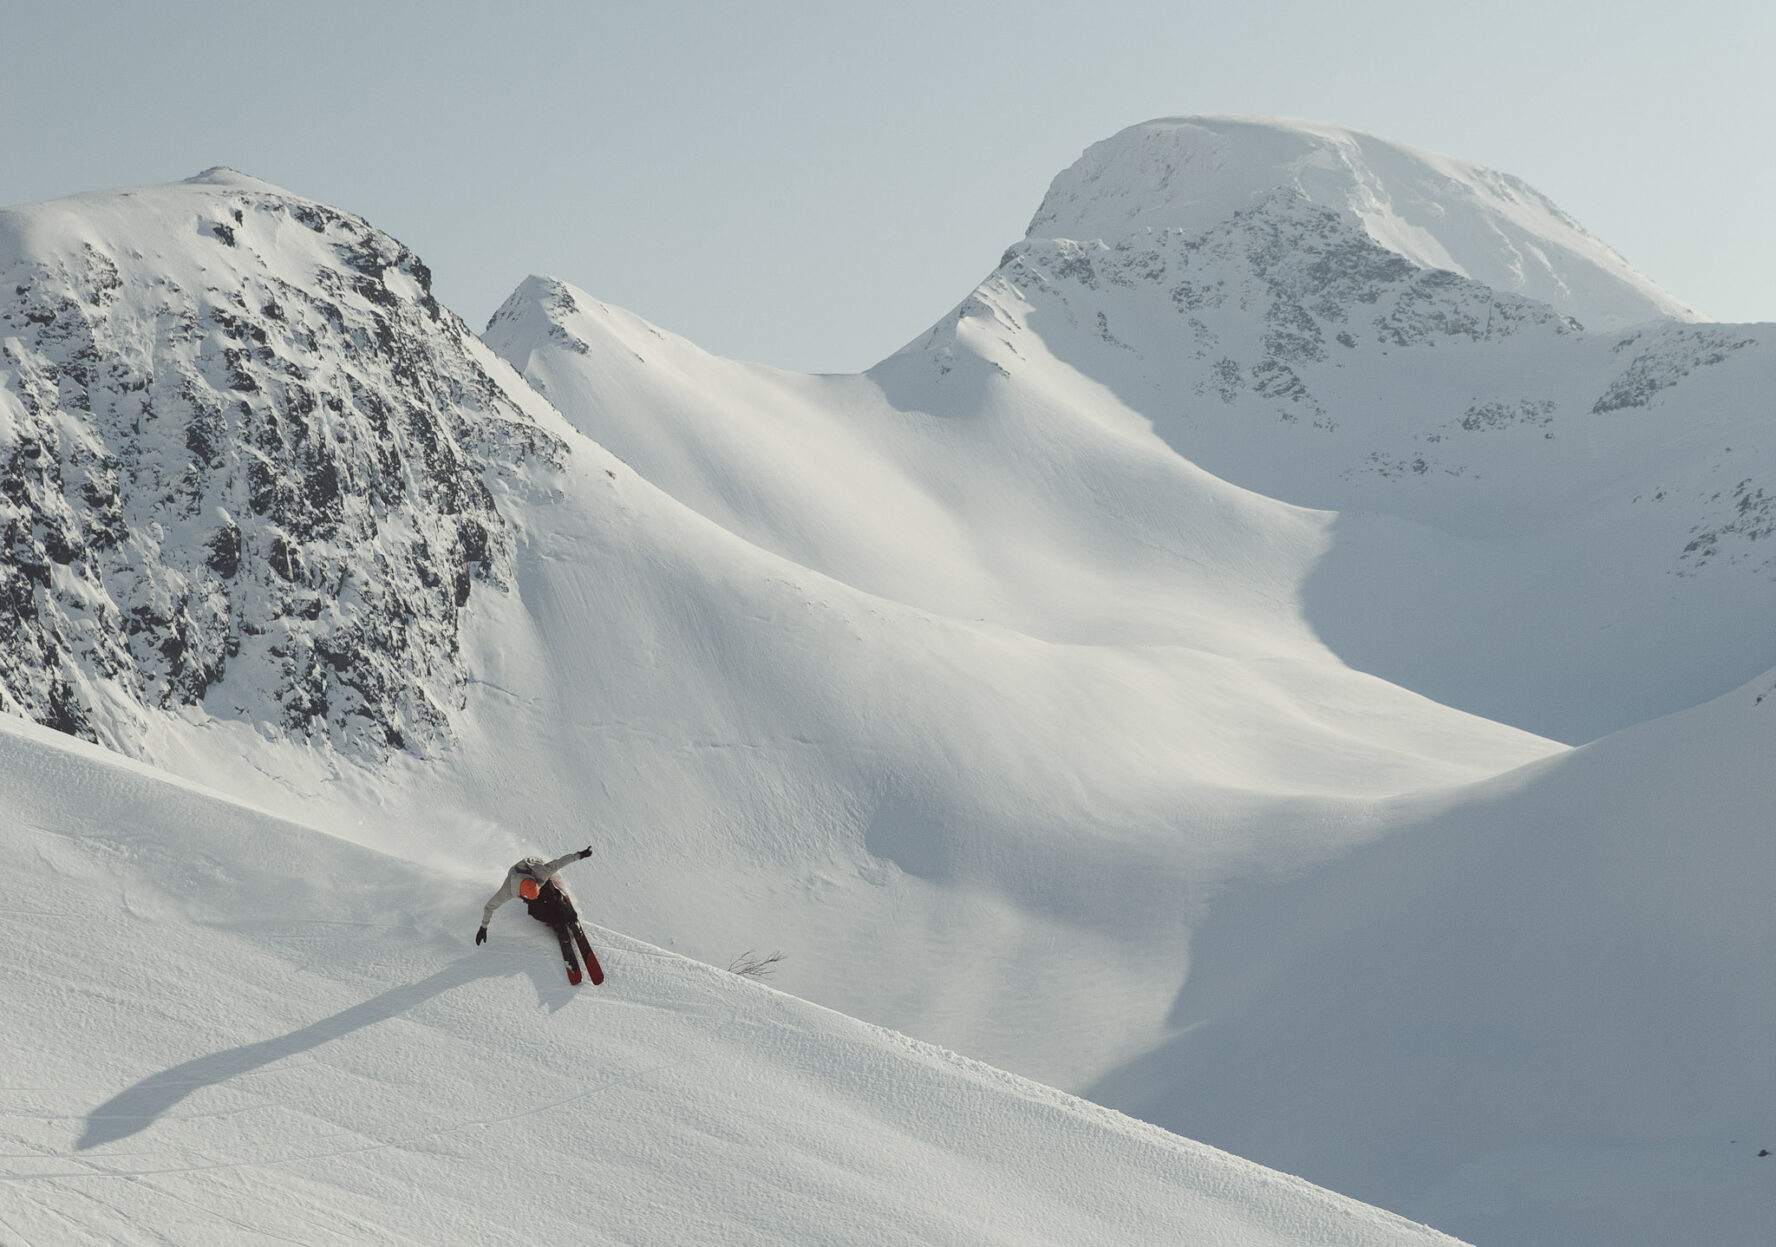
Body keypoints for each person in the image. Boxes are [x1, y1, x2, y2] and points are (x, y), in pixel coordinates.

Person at [475, 847, 593, 947]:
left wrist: (580, 854)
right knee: (536, 911)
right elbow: (489, 907)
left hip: (535, 869)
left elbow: (560, 862)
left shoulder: (542, 873)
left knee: (553, 899)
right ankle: (556, 923)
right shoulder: (507, 891)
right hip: (521, 875)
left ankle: (571, 919)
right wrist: (483, 927)